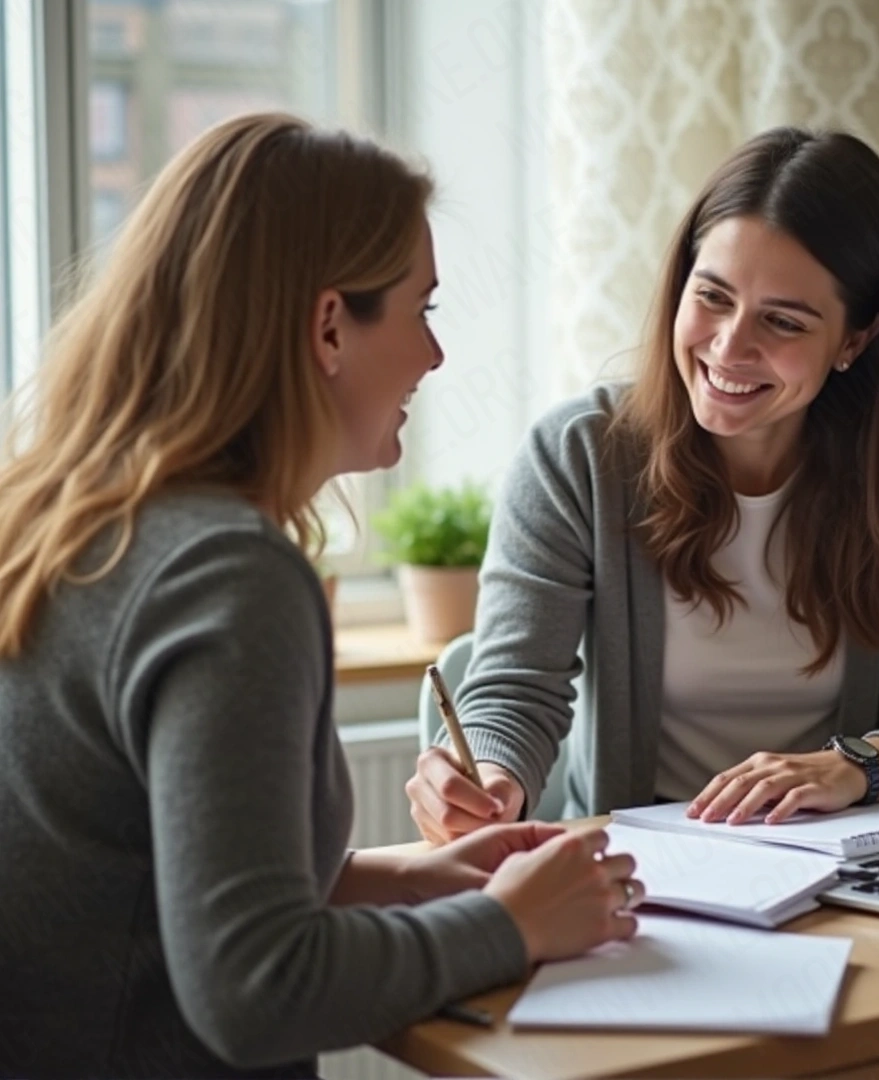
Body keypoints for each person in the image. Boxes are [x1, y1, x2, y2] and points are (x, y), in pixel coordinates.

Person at [0, 113, 643, 1079]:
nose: (434, 358)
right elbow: (255, 989)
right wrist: (508, 927)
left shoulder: (77, 520)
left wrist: (410, 882)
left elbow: (136, 887)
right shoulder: (228, 576)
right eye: (422, 311)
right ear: (330, 326)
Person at [405, 126, 879, 845]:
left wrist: (859, 766)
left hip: (837, 874)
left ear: (855, 340)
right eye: (711, 296)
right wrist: (491, 779)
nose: (729, 347)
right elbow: (516, 691)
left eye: (782, 321)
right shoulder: (577, 456)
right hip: (641, 873)